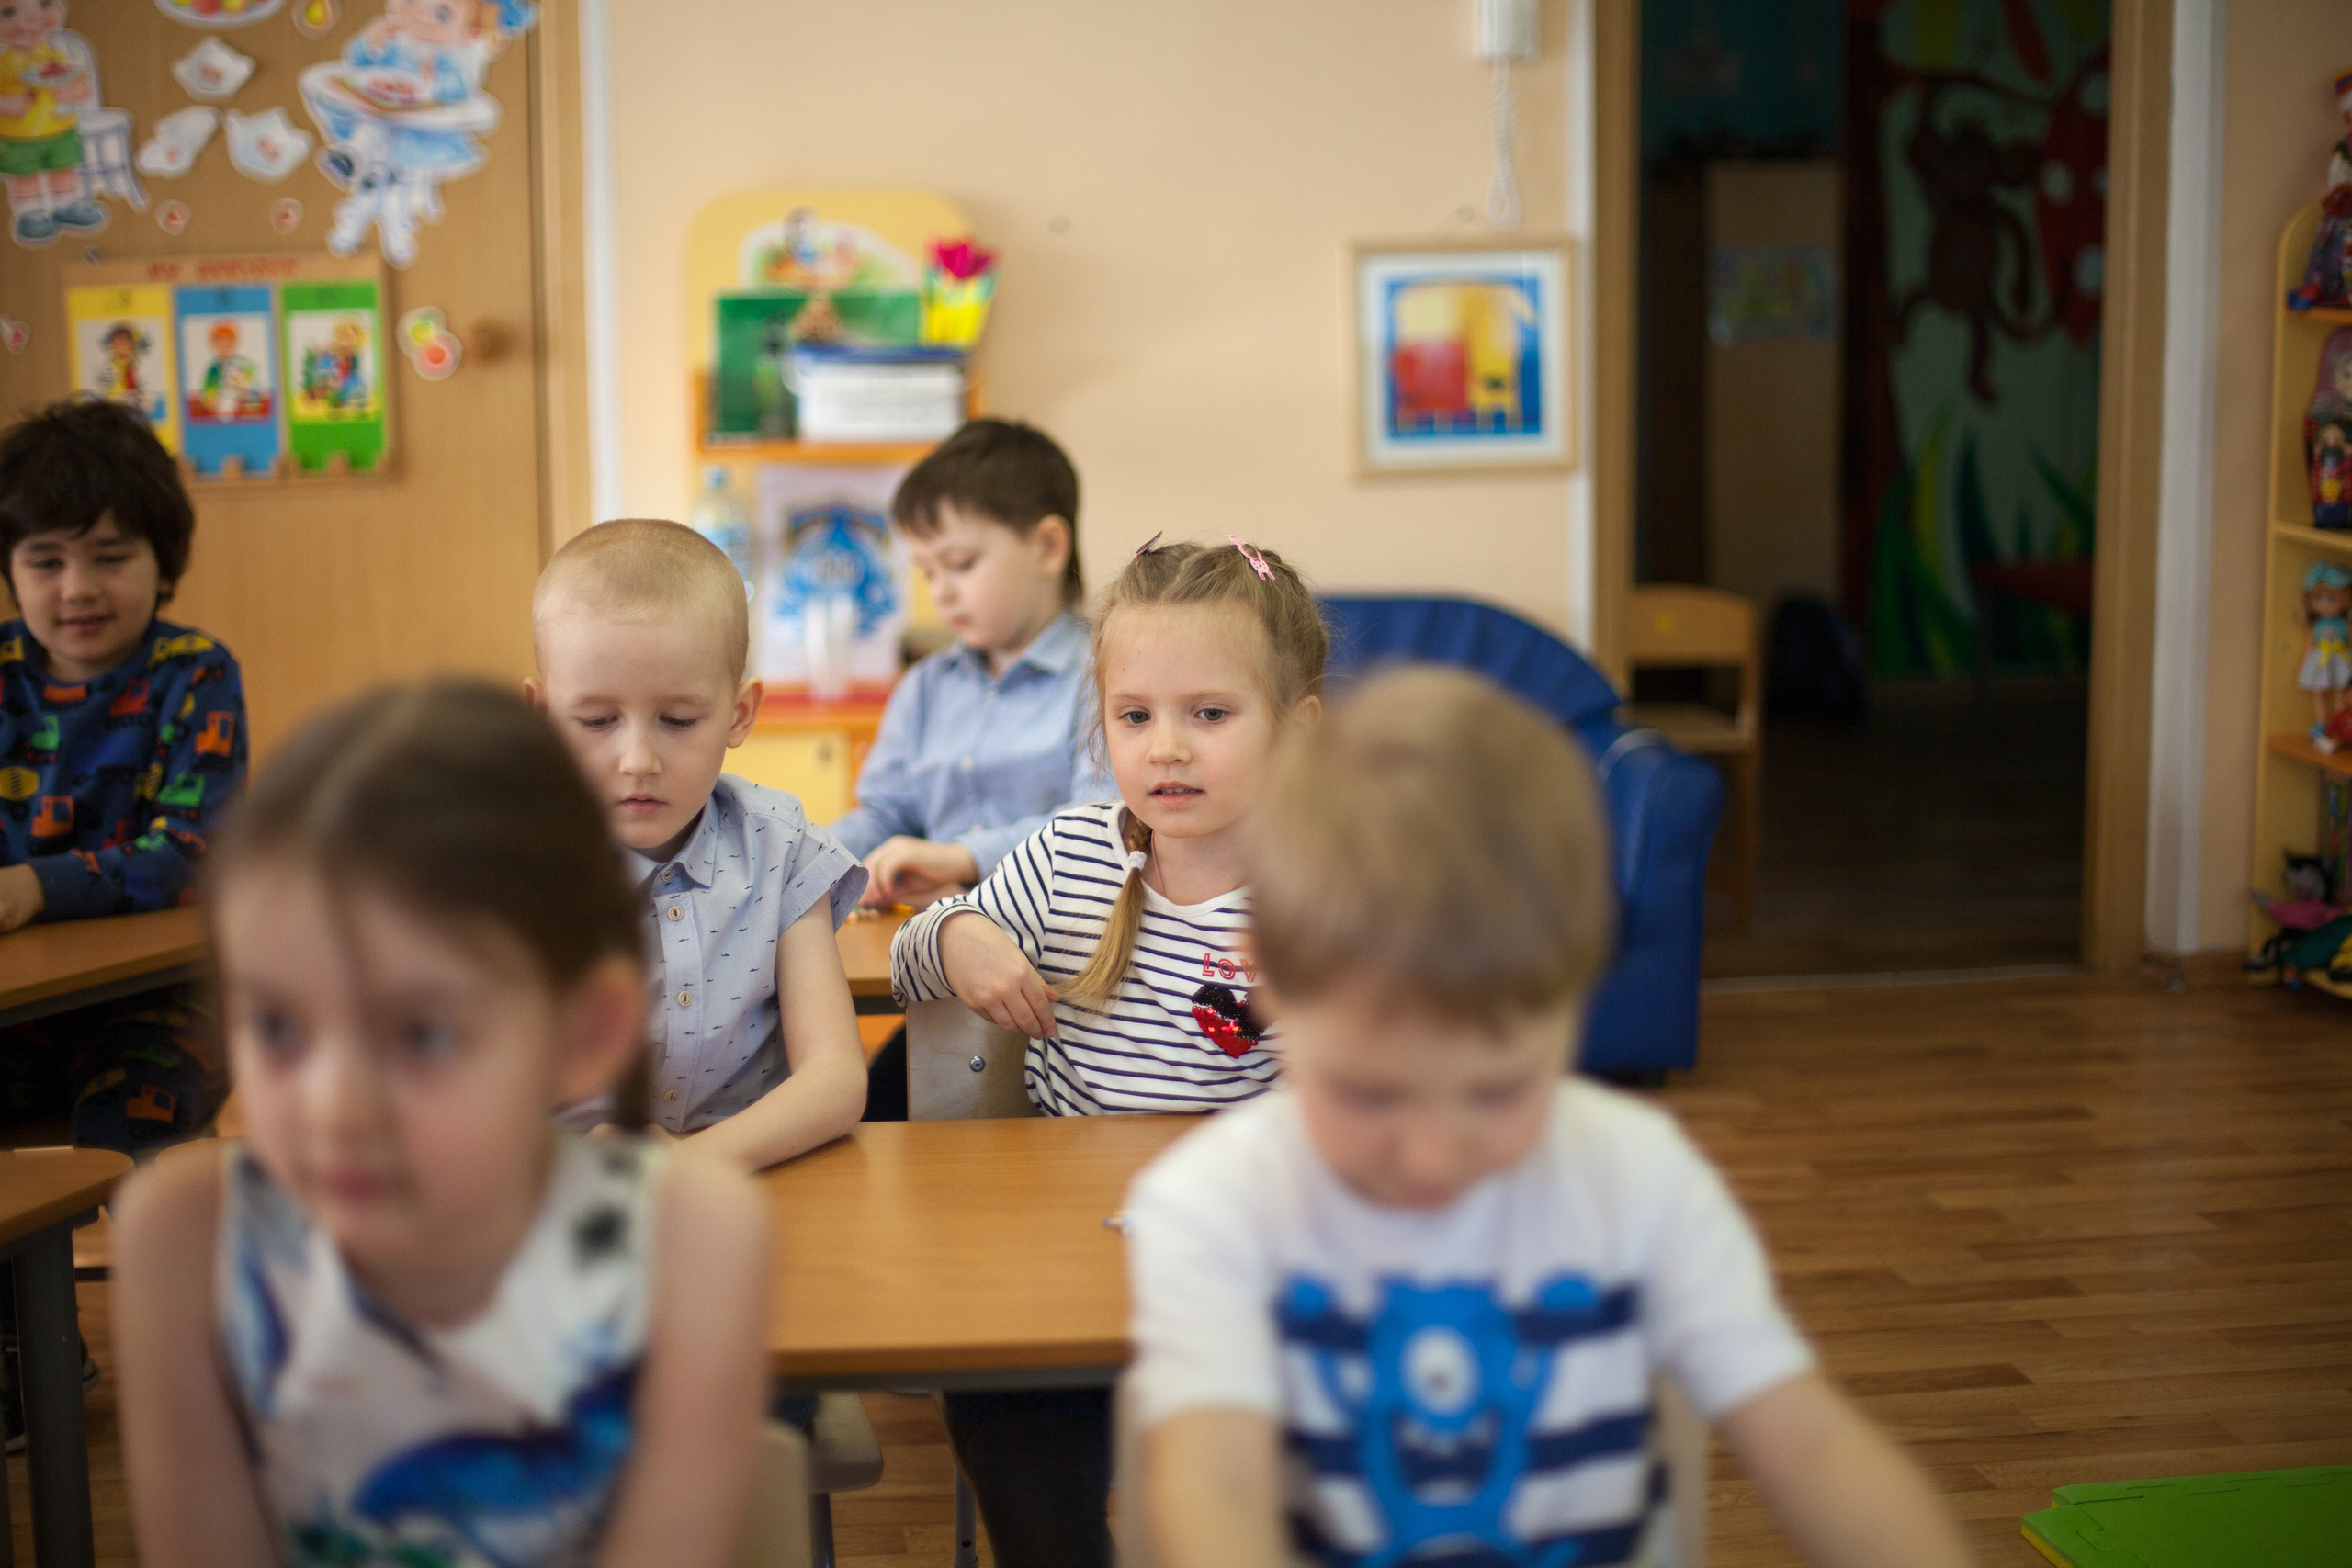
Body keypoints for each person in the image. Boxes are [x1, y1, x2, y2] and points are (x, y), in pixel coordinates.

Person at [1124, 666, 1974, 1568]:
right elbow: (1208, 1484)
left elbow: (1811, 1446)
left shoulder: (1639, 1178)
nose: (1432, 1155)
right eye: (1369, 1092)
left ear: (1575, 1003)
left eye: (1497, 1092)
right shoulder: (1214, 1209)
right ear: (1266, 981)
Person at [111, 680, 772, 1568]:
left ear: (585, 1033)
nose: (333, 1105)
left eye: (420, 1033)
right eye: (277, 1026)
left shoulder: (691, 1238)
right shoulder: (188, 1239)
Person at [888, 535, 1326, 1568]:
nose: (1165, 748)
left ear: (1296, 730)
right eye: (1134, 717)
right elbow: (908, 961)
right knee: (1001, 1392)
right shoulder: (1070, 858)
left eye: (1208, 715)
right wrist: (957, 933)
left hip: (1247, 1256)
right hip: (1068, 1252)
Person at [528, 517, 867, 1168]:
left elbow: (836, 1081)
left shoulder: (781, 845)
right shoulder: (506, 867)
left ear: (739, 714)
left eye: (678, 720)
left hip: (750, 1186)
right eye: (597, 720)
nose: (637, 759)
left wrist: (681, 1168)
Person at [830, 416, 1111, 1118]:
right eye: (927, 571)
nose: (941, 592)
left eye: (959, 564)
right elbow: (884, 814)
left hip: (1064, 986)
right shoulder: (926, 687)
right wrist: (824, 860)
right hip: (940, 970)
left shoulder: (1105, 677)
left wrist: (960, 856)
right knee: (868, 1109)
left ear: (1048, 546)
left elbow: (1103, 824)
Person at [0, 398, 245, 1153]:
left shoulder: (194, 672)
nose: (78, 587)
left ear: (162, 562)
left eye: (110, 556)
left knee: (127, 1126)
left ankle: (180, 1268)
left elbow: (188, 853)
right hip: (18, 1009)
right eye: (47, 560)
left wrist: (38, 885)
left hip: (157, 1004)